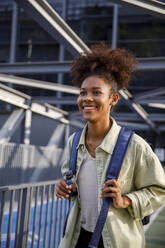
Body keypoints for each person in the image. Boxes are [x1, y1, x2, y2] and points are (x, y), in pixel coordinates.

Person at [56, 43, 165, 248]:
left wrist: (126, 201)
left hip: (117, 242)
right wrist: (65, 186)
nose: (87, 98)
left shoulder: (135, 146)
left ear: (113, 99)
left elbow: (159, 190)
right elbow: (73, 181)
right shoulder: (74, 141)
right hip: (78, 238)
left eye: (96, 92)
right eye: (83, 92)